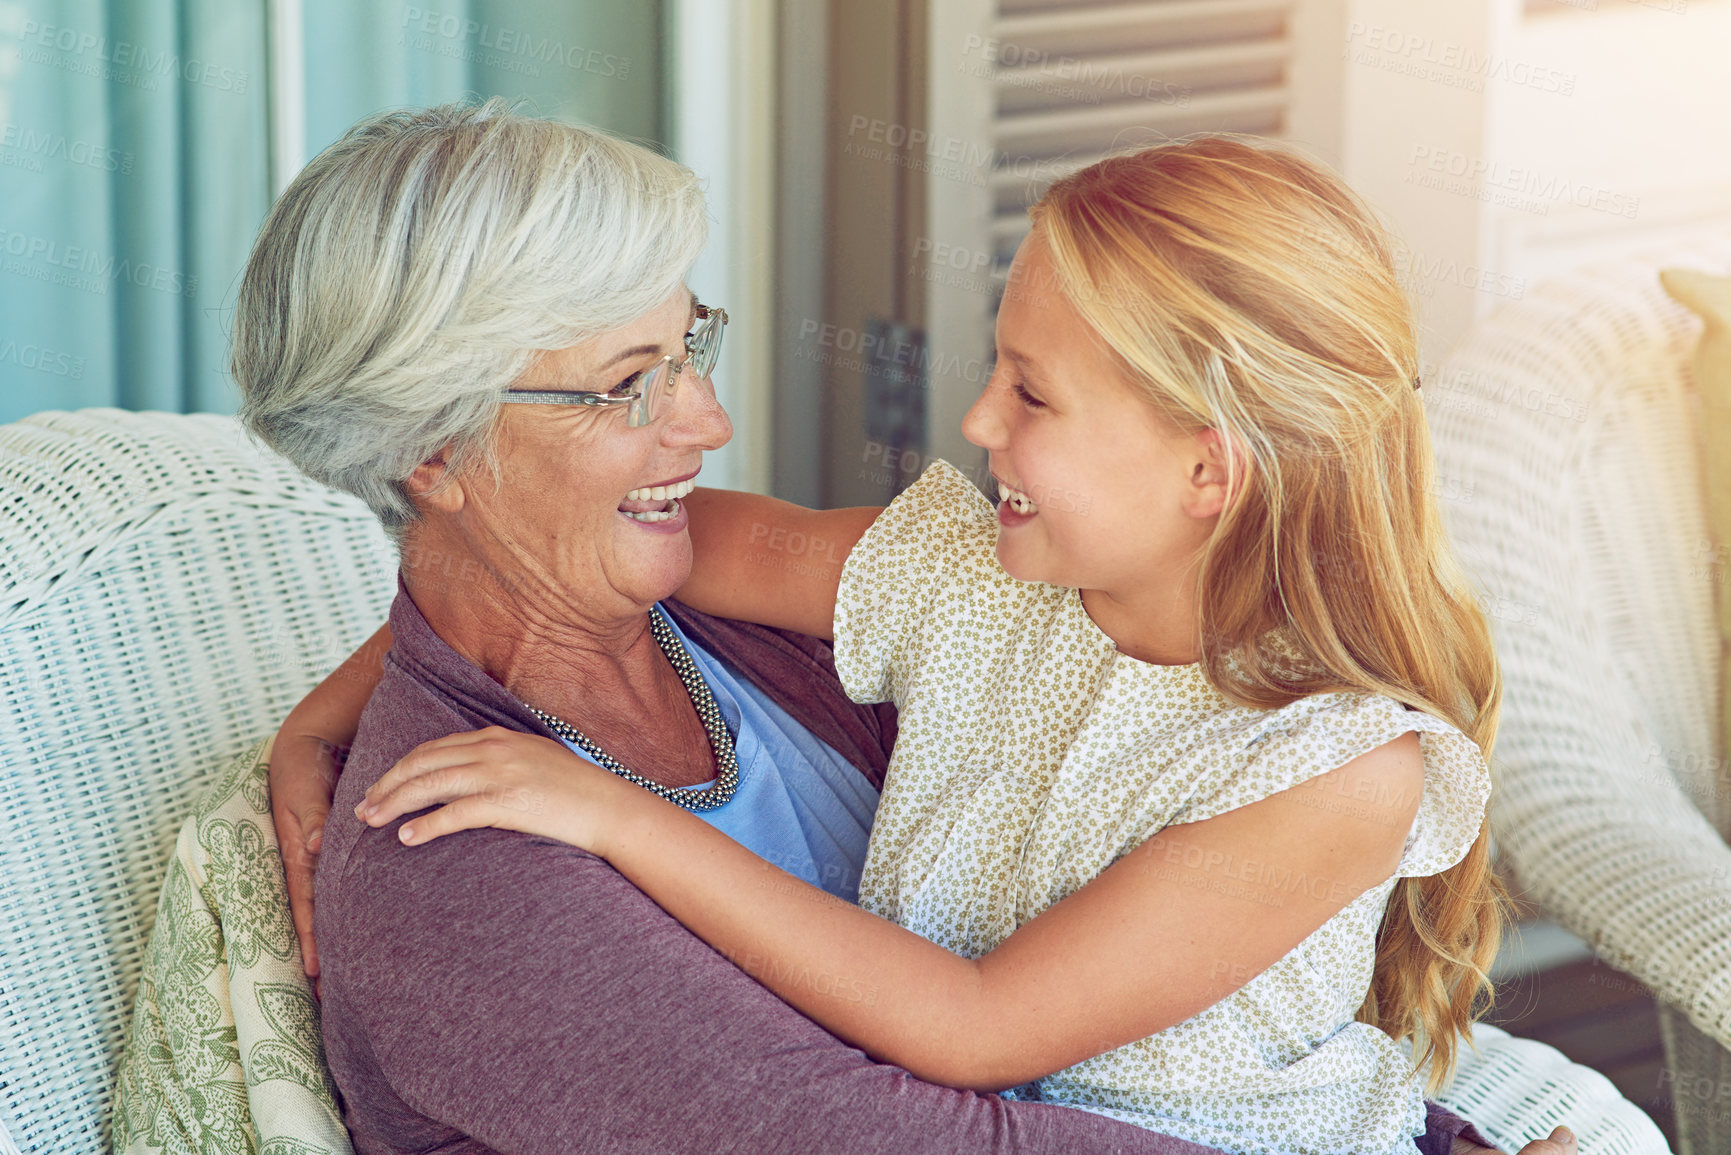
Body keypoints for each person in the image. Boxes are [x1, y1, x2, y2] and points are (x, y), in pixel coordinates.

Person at [256, 102, 1571, 1155]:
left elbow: (548, 568)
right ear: (433, 448)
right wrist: (373, 712)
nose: (706, 425)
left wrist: (345, 721)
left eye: (690, 346)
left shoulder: (1307, 755)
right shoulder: (465, 879)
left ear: (1208, 474)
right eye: (627, 384)